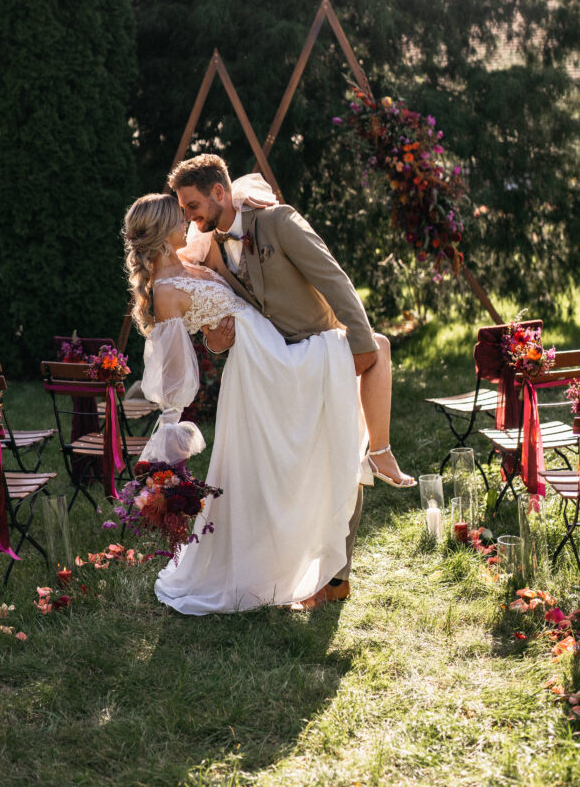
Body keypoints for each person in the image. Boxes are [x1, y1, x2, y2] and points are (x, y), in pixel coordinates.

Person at [168, 154, 415, 608]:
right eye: (184, 209)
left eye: (191, 205)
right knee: (285, 474)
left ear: (219, 193)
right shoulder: (211, 246)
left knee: (340, 458)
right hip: (270, 369)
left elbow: (334, 280)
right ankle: (282, 567)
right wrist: (217, 341)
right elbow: (220, 326)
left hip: (319, 351)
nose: (188, 216)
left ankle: (336, 578)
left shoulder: (278, 222)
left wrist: (359, 347)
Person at [124, 191, 369, 615]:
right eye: (179, 219)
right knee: (271, 466)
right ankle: (269, 568)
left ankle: (309, 554)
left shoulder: (191, 256)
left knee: (292, 453)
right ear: (164, 233)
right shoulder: (165, 291)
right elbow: (176, 369)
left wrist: (244, 196)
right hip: (257, 367)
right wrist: (169, 430)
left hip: (270, 348)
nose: (188, 222)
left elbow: (222, 198)